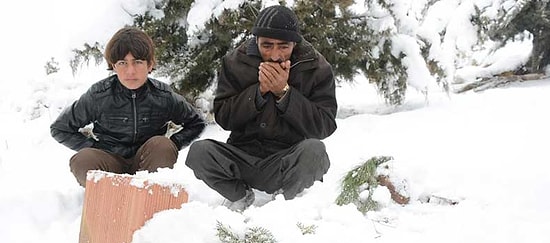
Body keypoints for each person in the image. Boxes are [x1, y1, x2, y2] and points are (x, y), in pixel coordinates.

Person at [185, 5, 338, 209]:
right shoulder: (235, 61)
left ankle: (284, 203)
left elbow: (324, 126)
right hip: (241, 156)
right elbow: (224, 118)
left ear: (295, 43)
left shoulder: (316, 67)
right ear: (256, 41)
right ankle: (239, 196)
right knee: (199, 152)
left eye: (283, 47)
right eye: (267, 46)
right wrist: (258, 92)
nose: (275, 55)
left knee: (315, 151)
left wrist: (284, 93)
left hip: (286, 160)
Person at [51, 27, 205, 187]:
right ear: (114, 66)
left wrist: (174, 143)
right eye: (123, 63)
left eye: (138, 62)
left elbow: (196, 123)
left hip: (147, 165)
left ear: (150, 64)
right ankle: (107, 200)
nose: (130, 71)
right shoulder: (99, 95)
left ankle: (152, 199)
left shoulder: (163, 96)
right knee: (83, 160)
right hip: (110, 163)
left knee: (163, 145)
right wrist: (94, 146)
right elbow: (60, 128)